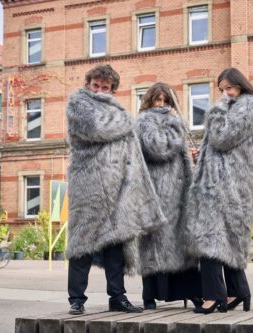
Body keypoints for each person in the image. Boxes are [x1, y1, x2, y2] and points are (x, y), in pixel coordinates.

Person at [65, 64, 166, 315]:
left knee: (116, 244)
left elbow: (131, 149)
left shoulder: (116, 109)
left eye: (105, 87)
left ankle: (117, 297)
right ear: (88, 84)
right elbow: (98, 128)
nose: (99, 91)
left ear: (113, 90)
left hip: (118, 186)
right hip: (88, 185)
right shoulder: (78, 104)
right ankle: (76, 299)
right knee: (82, 243)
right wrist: (125, 120)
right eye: (95, 85)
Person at [186, 68, 253, 314]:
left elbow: (222, 138)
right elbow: (221, 146)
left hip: (225, 184)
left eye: (229, 88)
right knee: (225, 238)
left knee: (209, 238)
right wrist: (202, 155)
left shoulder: (246, 106)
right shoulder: (237, 108)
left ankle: (213, 296)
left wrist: (215, 111)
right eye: (221, 90)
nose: (225, 94)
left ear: (241, 86)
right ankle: (238, 290)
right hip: (224, 182)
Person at [136, 82, 203, 310]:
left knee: (182, 244)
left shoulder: (173, 123)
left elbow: (177, 155)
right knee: (154, 244)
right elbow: (158, 148)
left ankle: (191, 291)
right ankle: (150, 295)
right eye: (158, 100)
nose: (162, 105)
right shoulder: (145, 121)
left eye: (166, 101)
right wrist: (175, 124)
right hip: (158, 193)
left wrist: (191, 158)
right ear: (150, 101)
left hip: (180, 196)